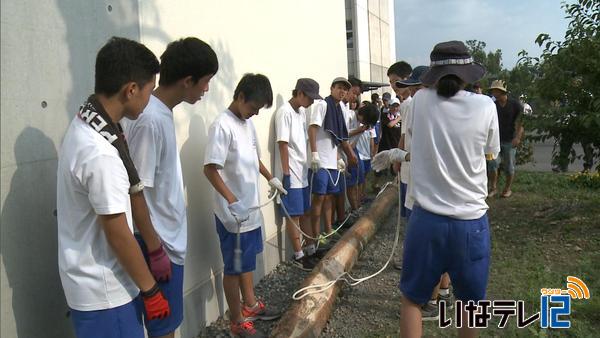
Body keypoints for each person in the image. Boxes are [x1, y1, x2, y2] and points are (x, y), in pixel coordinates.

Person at [373, 40, 499, 338]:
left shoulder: (418, 103)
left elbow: (418, 146)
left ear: (432, 75)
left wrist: (397, 155)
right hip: (470, 222)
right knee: (471, 305)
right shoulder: (485, 106)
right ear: (467, 74)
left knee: (413, 300)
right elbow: (490, 151)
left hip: (427, 219)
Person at [57, 37, 170, 338]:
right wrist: (151, 290)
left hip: (88, 284)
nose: (148, 101)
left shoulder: (87, 121)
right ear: (131, 89)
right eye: (148, 92)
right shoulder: (102, 153)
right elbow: (117, 232)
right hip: (106, 292)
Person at [123, 37, 218, 338]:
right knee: (163, 329)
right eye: (205, 82)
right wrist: (154, 250)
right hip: (158, 245)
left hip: (165, 242)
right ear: (188, 81)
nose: (206, 89)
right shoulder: (150, 120)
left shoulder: (159, 113)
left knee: (166, 326)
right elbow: (135, 190)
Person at [203, 74, 287, 337]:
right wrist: (232, 201)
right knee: (233, 267)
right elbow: (210, 169)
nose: (255, 113)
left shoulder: (247, 124)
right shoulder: (222, 126)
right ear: (240, 97)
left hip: (250, 209)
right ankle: (237, 321)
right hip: (233, 215)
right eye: (253, 107)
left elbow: (255, 158)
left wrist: (270, 177)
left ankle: (250, 305)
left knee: (247, 263)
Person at [274, 78, 322, 271]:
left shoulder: (301, 112)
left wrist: (312, 158)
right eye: (309, 98)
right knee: (293, 215)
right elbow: (283, 144)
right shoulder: (284, 112)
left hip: (302, 170)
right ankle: (298, 254)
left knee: (306, 212)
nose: (311, 102)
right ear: (299, 93)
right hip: (291, 172)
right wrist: (285, 173)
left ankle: (310, 249)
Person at [308, 77, 357, 250]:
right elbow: (312, 128)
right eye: (339, 88)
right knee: (319, 199)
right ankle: (315, 237)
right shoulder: (323, 105)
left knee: (329, 198)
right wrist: (314, 153)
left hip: (331, 160)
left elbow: (336, 138)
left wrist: (339, 158)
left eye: (344, 89)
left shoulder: (339, 109)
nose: (342, 91)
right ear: (331, 89)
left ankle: (327, 231)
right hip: (320, 161)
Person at [487, 80, 523, 198]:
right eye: (492, 90)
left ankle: (507, 189)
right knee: (492, 164)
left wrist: (517, 137)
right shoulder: (493, 105)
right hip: (495, 140)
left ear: (502, 91)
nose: (494, 93)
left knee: (509, 166)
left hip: (509, 140)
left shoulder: (515, 105)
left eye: (495, 90)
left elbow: (521, 122)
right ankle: (493, 188)